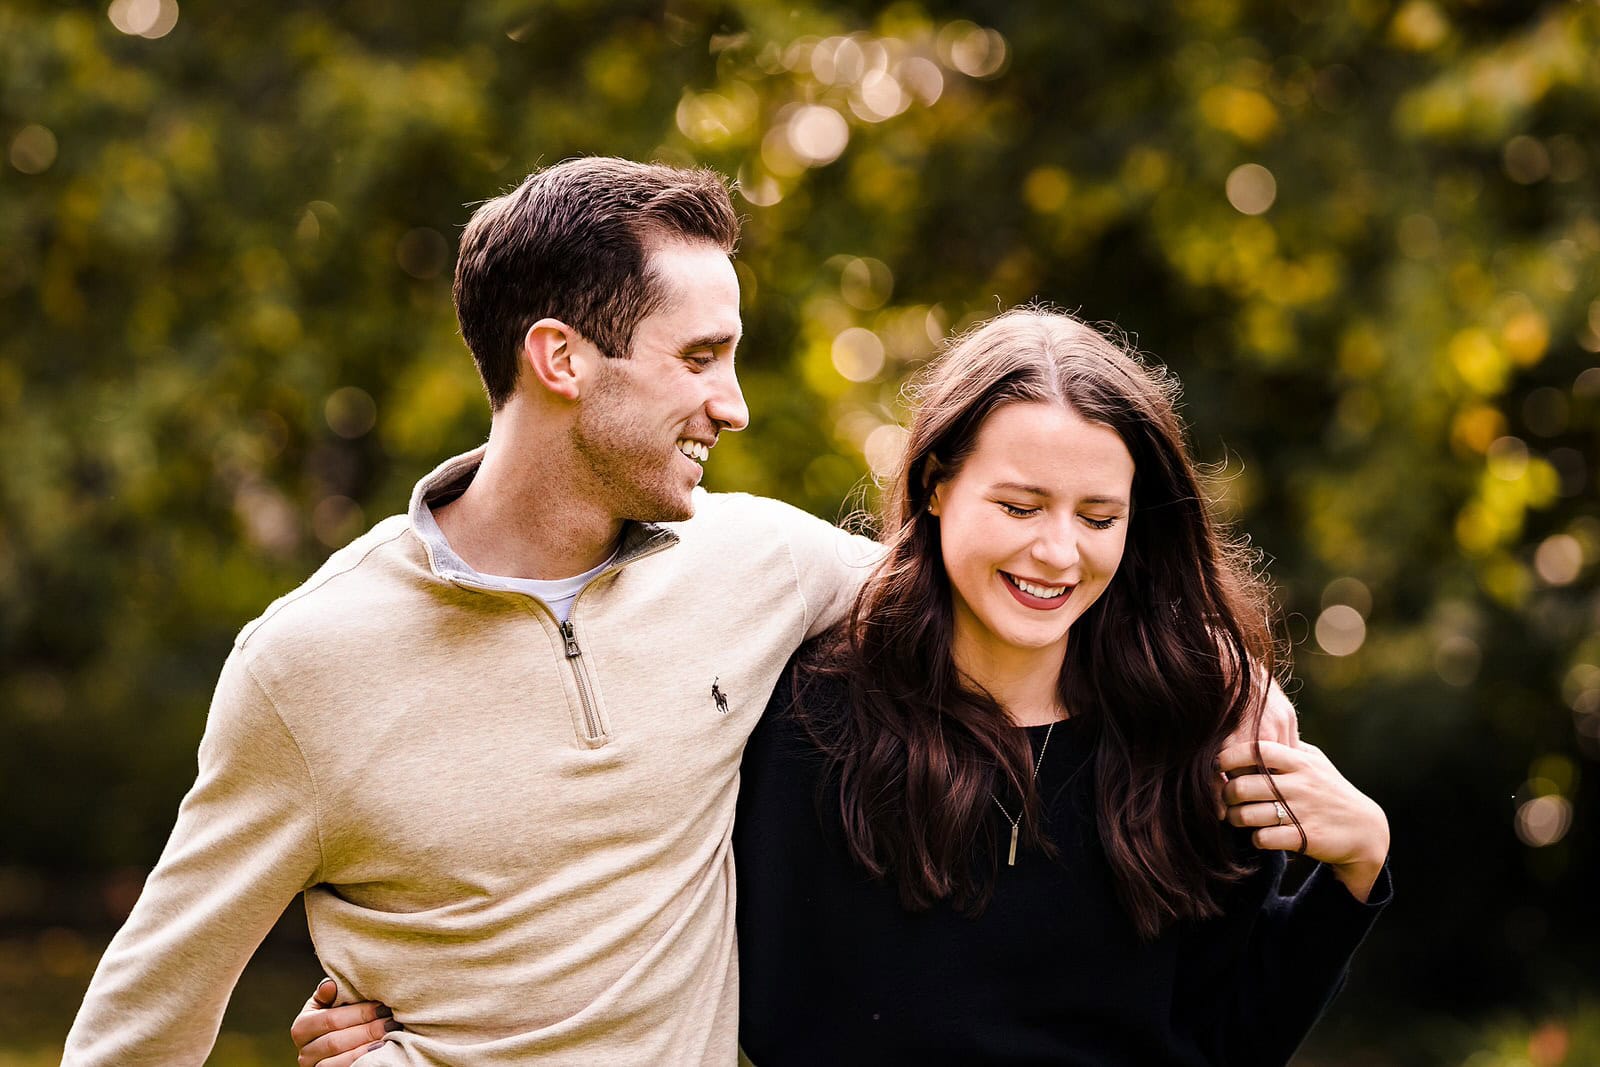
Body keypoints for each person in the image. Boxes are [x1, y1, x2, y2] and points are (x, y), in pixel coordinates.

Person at [294, 309, 1386, 1066]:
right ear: (937, 484)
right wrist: (422, 1007)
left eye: (1097, 517)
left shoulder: (1193, 734)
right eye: (1019, 503)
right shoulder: (805, 717)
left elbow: (1224, 1041)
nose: (1057, 551)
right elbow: (625, 903)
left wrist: (1354, 864)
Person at [63, 157, 886, 1065]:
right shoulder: (306, 663)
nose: (732, 405)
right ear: (561, 358)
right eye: (698, 358)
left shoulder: (763, 562)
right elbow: (135, 1031)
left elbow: (987, 599)